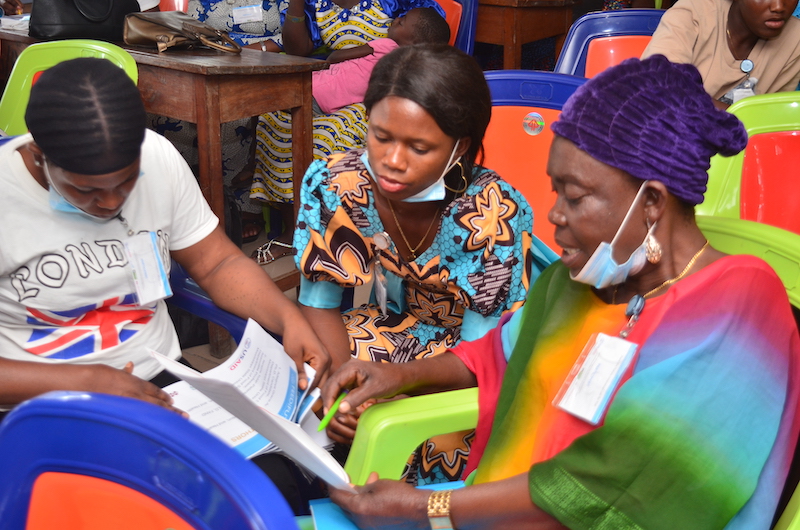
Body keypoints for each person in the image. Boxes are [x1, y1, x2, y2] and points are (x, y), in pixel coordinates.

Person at [321, 55, 800, 529]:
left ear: (651, 202)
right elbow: (493, 357)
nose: (555, 216)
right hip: (488, 512)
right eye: (555, 191)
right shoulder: (578, 283)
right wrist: (398, 376)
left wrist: (427, 510)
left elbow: (618, 484)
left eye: (574, 196)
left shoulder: (739, 303)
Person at [0, 58, 330, 409]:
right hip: (34, 398)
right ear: (38, 156)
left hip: (157, 383)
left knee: (273, 460)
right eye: (87, 190)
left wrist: (288, 318)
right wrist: (88, 381)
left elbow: (215, 262)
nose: (111, 202)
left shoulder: (158, 157)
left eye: (128, 180)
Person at [295, 44, 557, 486]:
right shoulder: (338, 183)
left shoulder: (493, 216)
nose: (392, 161)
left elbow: (482, 356)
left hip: (480, 353)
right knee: (302, 378)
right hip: (403, 324)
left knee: (444, 438)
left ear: (462, 147)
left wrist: (394, 387)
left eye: (419, 147)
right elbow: (318, 302)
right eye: (380, 136)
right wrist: (344, 388)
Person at [248, 0, 447, 262]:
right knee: (273, 122)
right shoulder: (316, 4)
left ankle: (328, 231)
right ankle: (292, 228)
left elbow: (429, 46)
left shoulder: (402, 6)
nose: (396, 23)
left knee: (324, 135)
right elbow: (299, 49)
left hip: (373, 101)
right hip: (330, 82)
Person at [642, 0, 800, 107]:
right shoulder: (691, 14)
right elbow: (657, 89)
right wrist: (737, 120)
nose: (779, 6)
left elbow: (771, 119)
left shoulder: (795, 38)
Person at [311, 7, 450, 115]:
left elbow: (336, 57)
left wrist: (330, 58)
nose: (396, 20)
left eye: (401, 22)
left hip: (316, 87)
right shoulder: (409, 71)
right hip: (330, 106)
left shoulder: (387, 45)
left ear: (413, 44)